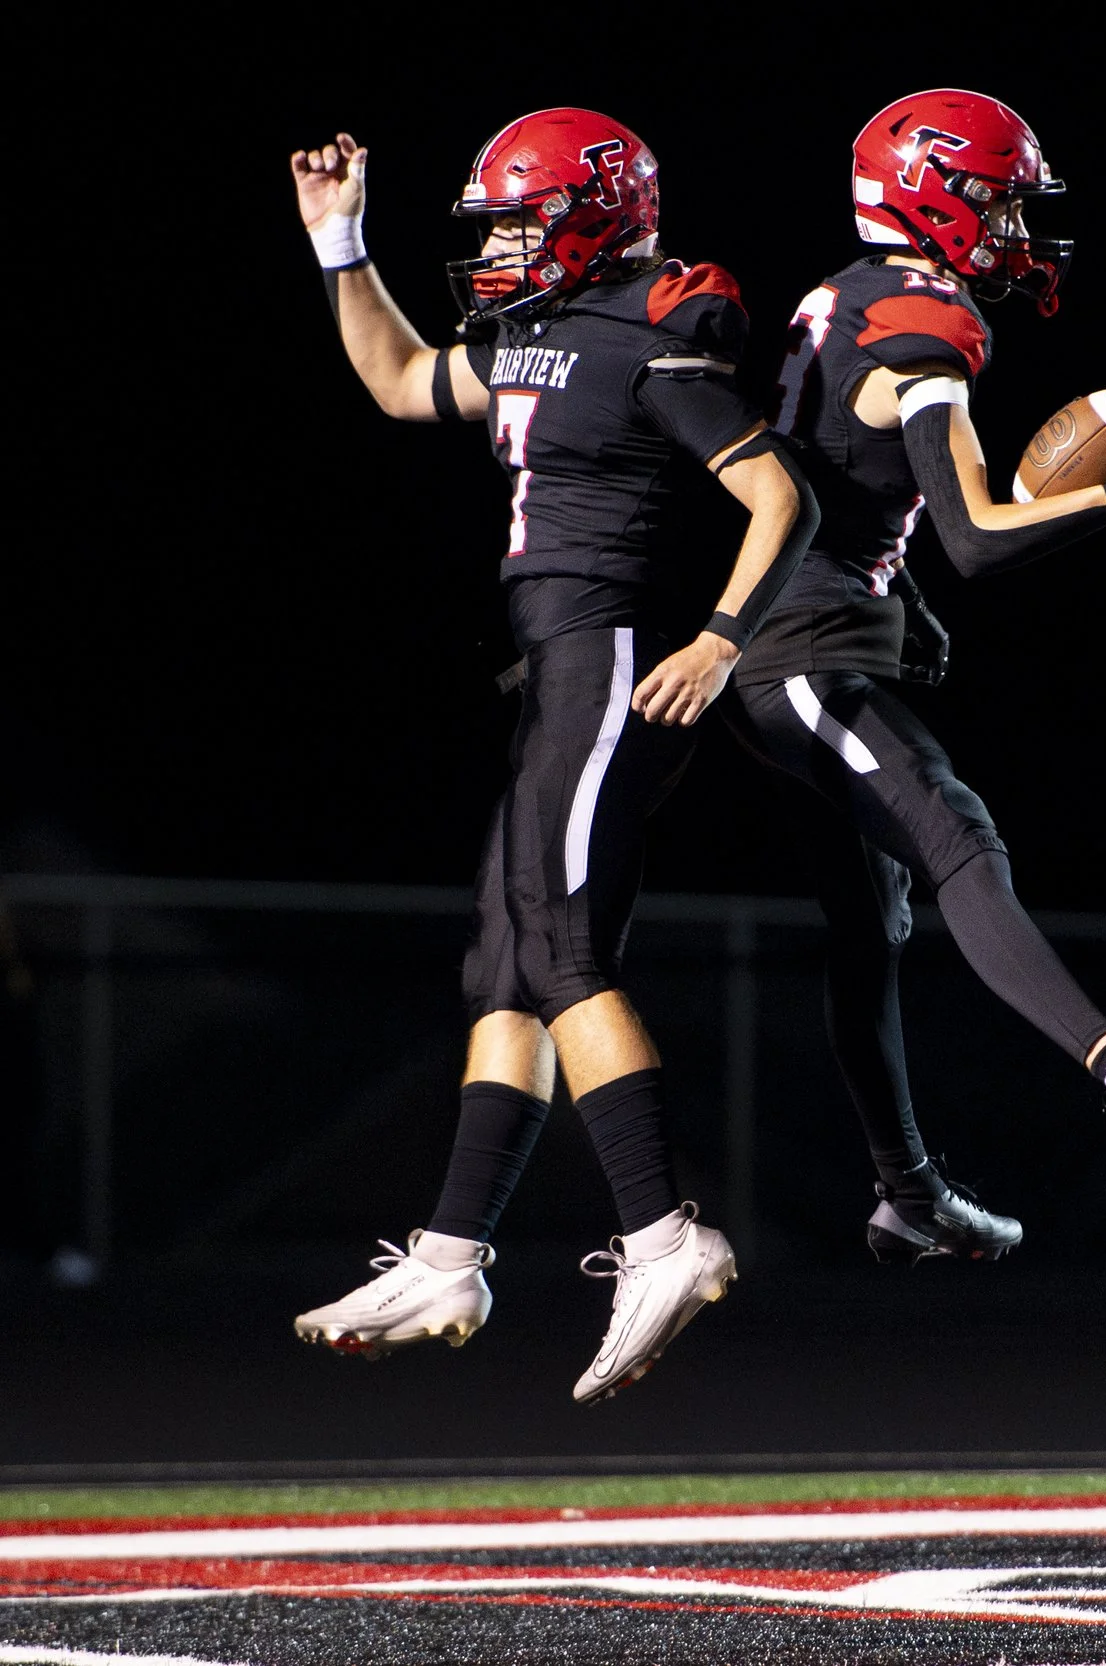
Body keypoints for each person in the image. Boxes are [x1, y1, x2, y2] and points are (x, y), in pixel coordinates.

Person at [284, 112, 819, 1403]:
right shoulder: (530, 334)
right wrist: (338, 242)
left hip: (608, 653)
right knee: (505, 960)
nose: (502, 250)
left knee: (566, 944)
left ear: (592, 216)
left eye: (522, 222)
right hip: (549, 671)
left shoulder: (648, 332)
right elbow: (400, 379)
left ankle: (663, 1234)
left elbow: (778, 497)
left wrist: (722, 636)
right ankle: (454, 1252)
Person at [728, 89, 1106, 1261]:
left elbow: (837, 471)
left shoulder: (854, 291)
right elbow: (978, 533)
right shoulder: (925, 314)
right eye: (1003, 200)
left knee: (872, 922)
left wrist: (894, 587)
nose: (1019, 227)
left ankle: (906, 1190)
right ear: (938, 194)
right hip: (800, 654)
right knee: (957, 835)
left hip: (815, 629)